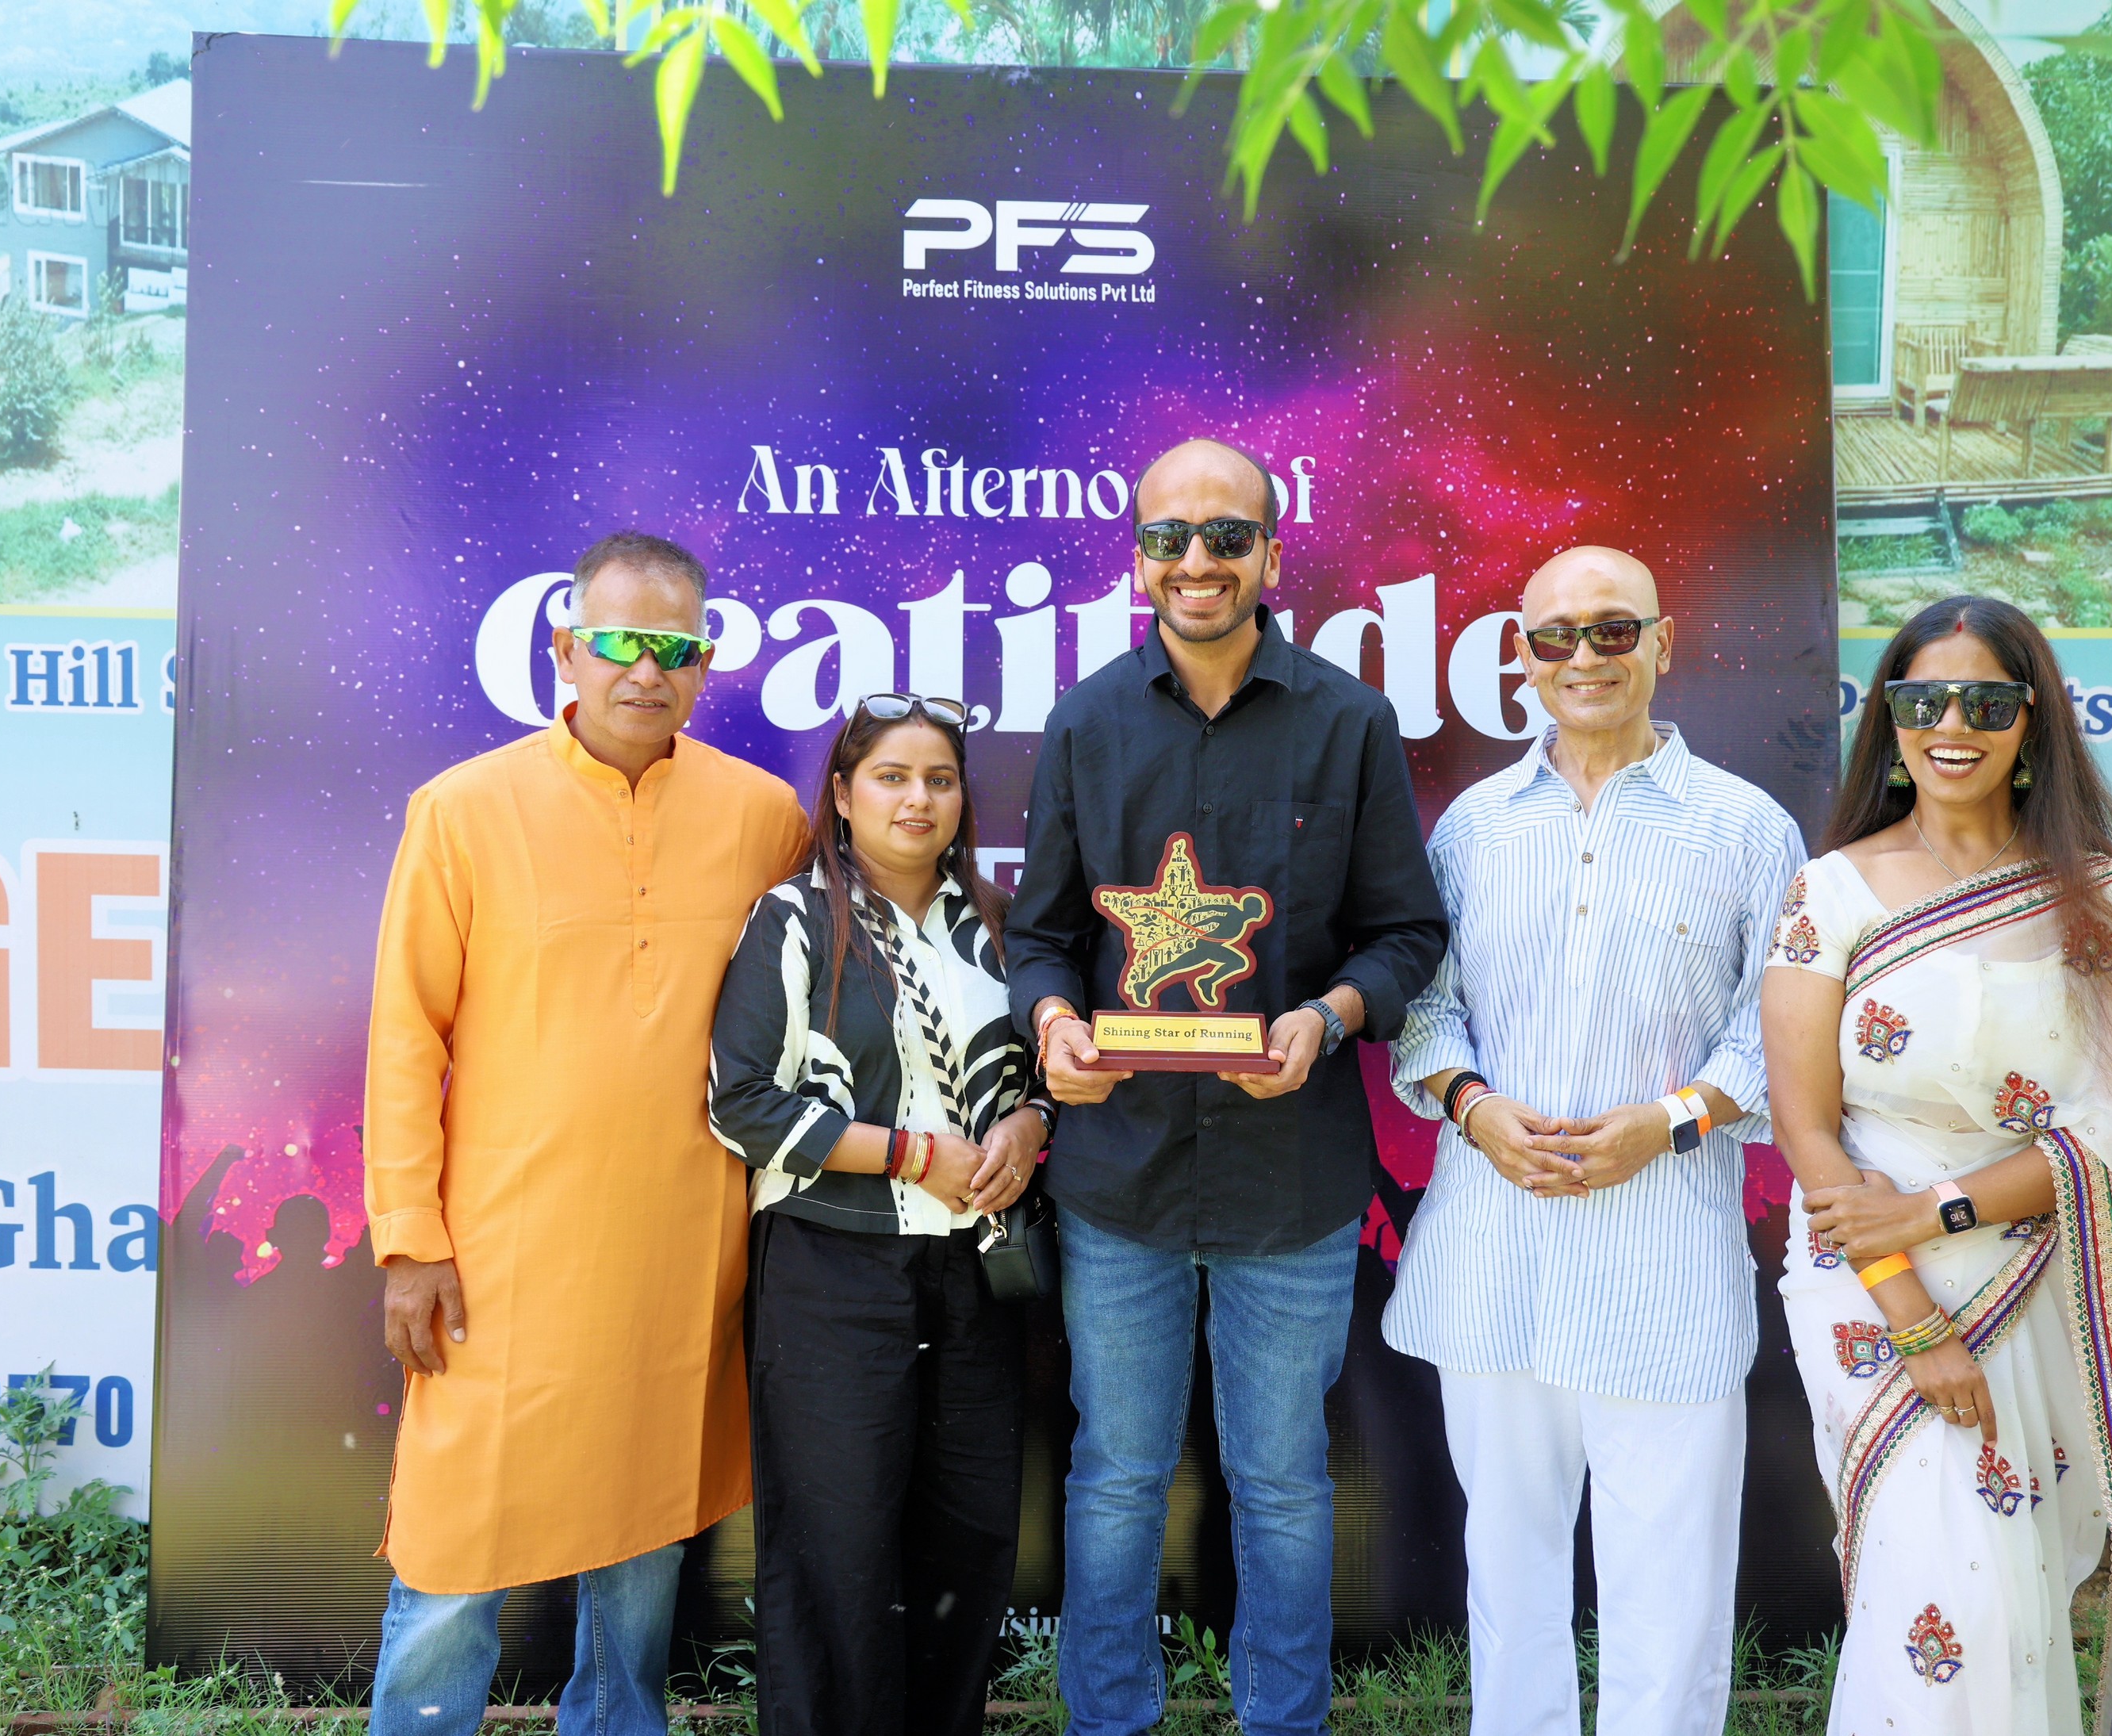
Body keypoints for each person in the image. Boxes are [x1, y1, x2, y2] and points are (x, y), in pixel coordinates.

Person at [1762, 595, 2112, 1734]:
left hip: (2059, 1282)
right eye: (1925, 700)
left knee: (2021, 1589)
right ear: (1889, 716)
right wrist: (1911, 1316)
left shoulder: (2104, 898)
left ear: (2033, 721)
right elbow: (1807, 1124)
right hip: (1872, 1290)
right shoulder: (1828, 891)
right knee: (1947, 1600)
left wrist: (1935, 1210)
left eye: (1986, 703)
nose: (1952, 726)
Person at [1006, 437, 1448, 1736]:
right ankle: (1110, 1719)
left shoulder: (1349, 722)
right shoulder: (1085, 722)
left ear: (1271, 550)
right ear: (1138, 555)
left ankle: (1282, 1721)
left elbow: (1406, 934)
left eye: (1226, 535)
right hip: (1119, 1178)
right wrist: (1053, 1021)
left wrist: (1329, 1015)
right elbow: (1040, 935)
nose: (1196, 560)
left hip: (1292, 1178)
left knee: (1284, 1484)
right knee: (1116, 1474)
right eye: (1169, 537)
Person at [360, 532, 810, 1736]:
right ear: (566, 650)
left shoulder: (761, 817)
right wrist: (408, 1238)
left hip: (678, 1254)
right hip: (498, 1254)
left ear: (704, 665)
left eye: (675, 648)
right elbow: (405, 1038)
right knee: (453, 1549)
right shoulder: (463, 811)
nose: (645, 671)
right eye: (618, 642)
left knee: (642, 1532)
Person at [1386, 546, 1806, 1736]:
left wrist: (1669, 1123)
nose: (1583, 656)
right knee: (1507, 1571)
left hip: (1662, 1261)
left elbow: (1779, 1029)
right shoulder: (1474, 828)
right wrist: (1474, 1106)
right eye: (1555, 636)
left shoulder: (1747, 828)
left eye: (1613, 629)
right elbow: (1426, 1005)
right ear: (1521, 659)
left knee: (1669, 1589)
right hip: (1494, 1256)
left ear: (1662, 642)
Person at [709, 693, 1053, 1736]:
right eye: (891, 777)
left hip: (973, 1273)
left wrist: (1030, 1124)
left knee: (966, 1539)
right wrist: (913, 1154)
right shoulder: (792, 919)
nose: (917, 799)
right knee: (837, 1545)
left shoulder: (1002, 925)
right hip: (832, 1265)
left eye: (939, 780)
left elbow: (1049, 1073)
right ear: (844, 794)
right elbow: (741, 1103)